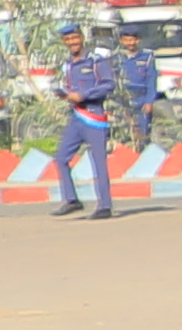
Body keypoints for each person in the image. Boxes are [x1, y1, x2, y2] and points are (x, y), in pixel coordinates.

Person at [52, 21, 130, 219]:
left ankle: (104, 206)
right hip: (76, 116)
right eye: (68, 39)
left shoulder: (95, 60)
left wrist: (84, 95)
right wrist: (65, 94)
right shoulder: (68, 63)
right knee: (61, 158)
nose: (72, 42)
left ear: (81, 38)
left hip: (94, 116)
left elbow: (108, 84)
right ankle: (72, 200)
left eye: (75, 38)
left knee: (99, 163)